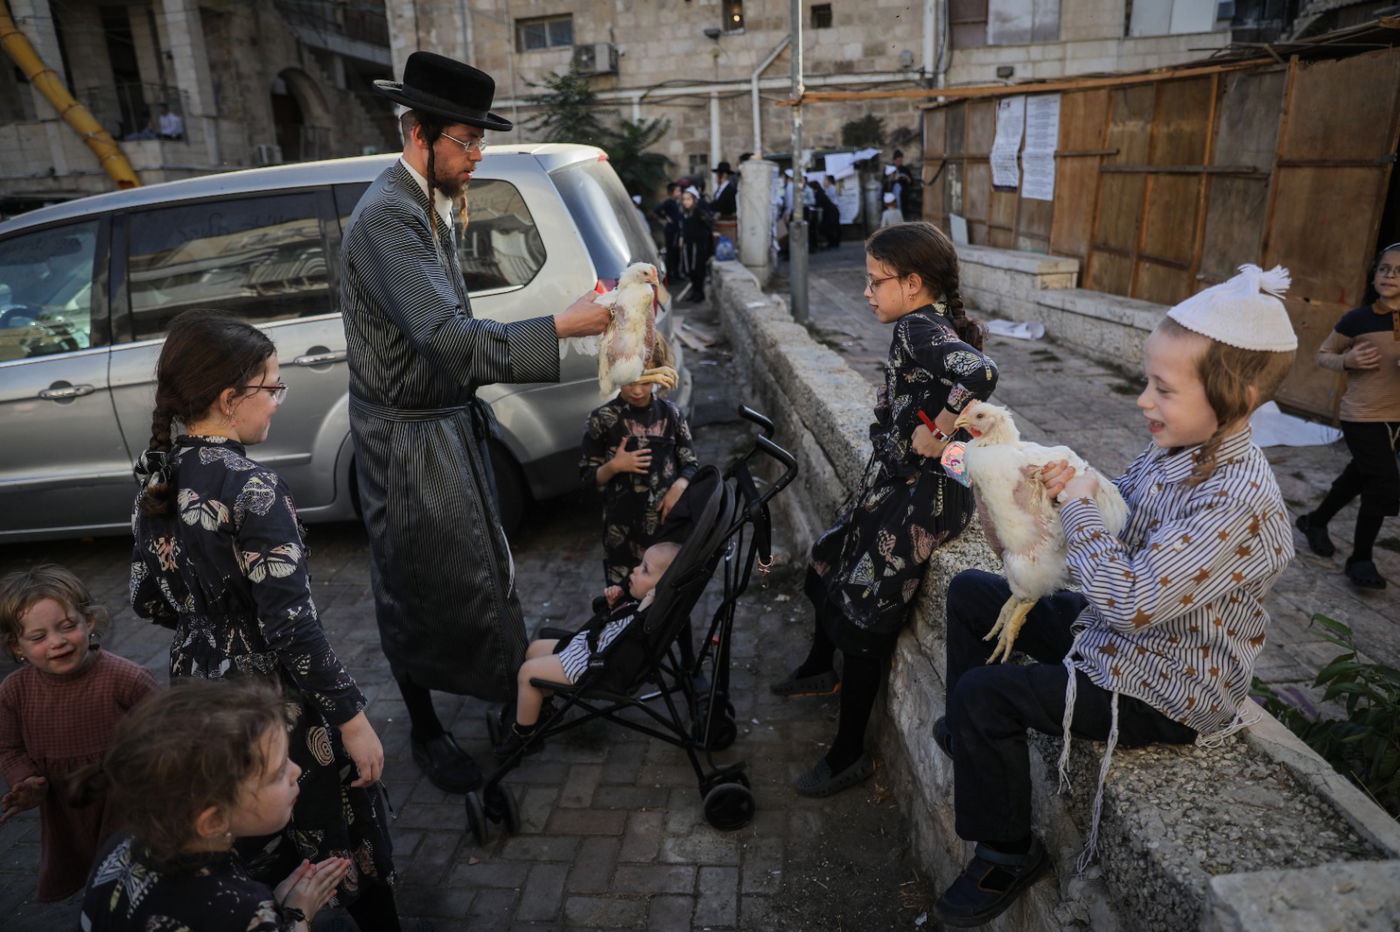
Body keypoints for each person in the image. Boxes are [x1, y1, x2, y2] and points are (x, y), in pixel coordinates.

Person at [932, 264, 1297, 927]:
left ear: (1235, 397)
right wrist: (1050, 489)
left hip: (1166, 685)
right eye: (1146, 384)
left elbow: (1129, 598)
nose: (1143, 402)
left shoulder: (1240, 501)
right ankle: (969, 740)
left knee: (984, 697)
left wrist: (1075, 507)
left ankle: (1007, 850)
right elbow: (1120, 507)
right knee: (972, 594)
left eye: (1162, 388)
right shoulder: (1180, 448)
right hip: (1119, 635)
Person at [339, 51, 610, 794]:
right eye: (467, 140)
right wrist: (561, 324)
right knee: (411, 586)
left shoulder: (424, 202)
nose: (477, 155)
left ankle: (508, 694)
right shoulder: (389, 216)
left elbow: (452, 328)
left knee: (476, 573)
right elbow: (453, 341)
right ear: (420, 133)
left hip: (443, 424)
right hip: (404, 440)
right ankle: (426, 731)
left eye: (479, 141)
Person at [130, 311, 399, 929]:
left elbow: (146, 600)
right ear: (230, 399)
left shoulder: (157, 481)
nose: (277, 401)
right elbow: (293, 631)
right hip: (275, 702)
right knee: (328, 830)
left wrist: (208, 624)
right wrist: (353, 721)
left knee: (243, 828)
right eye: (272, 386)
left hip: (198, 691)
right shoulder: (253, 488)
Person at [770, 221, 998, 797]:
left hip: (922, 500)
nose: (868, 293)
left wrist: (942, 430)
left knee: (867, 619)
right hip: (897, 487)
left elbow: (981, 372)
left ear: (914, 283)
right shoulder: (920, 324)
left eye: (876, 282)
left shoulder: (919, 326)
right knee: (827, 558)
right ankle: (821, 668)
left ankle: (849, 753)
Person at [77, 679, 351, 931]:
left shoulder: (121, 845)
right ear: (213, 821)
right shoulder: (241, 912)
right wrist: (295, 913)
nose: (295, 771)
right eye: (277, 773)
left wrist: (272, 905)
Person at [0, 565, 156, 903]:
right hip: (66, 810)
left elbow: (166, 735)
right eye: (38, 637)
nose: (56, 642)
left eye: (67, 627)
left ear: (89, 622)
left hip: (127, 802)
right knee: (92, 881)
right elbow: (8, 749)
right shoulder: (14, 692)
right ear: (17, 646)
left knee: (137, 879)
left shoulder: (127, 679)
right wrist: (25, 781)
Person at [493, 541, 682, 757]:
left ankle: (523, 736)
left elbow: (627, 637)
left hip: (594, 666)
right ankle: (543, 708)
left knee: (527, 673)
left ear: (660, 589)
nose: (636, 570)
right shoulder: (643, 607)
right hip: (592, 648)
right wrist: (614, 604)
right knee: (534, 649)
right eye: (640, 564)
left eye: (645, 570)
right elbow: (616, 626)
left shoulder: (647, 613)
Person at [1294, 242, 1400, 589]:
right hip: (1363, 414)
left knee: (1361, 474)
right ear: (1374, 274)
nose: (1390, 275)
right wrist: (1347, 361)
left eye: (1399, 271)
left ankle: (1316, 520)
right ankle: (1362, 558)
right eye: (1384, 268)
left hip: (1396, 417)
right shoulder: (1357, 319)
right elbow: (1323, 354)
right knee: (1382, 480)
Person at [579, 359, 699, 587]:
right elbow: (587, 478)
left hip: (665, 530)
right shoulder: (602, 419)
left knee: (668, 594)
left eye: (644, 383)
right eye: (629, 382)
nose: (636, 390)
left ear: (656, 376)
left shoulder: (671, 414)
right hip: (622, 533)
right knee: (623, 596)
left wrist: (680, 486)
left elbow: (690, 462)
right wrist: (614, 466)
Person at [678, 186, 714, 303]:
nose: (686, 202)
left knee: (699, 270)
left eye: (688, 199)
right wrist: (682, 237)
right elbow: (684, 228)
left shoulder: (698, 211)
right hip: (688, 245)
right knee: (690, 270)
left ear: (694, 200)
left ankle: (700, 293)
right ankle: (694, 291)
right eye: (684, 199)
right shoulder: (685, 213)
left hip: (698, 246)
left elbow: (708, 224)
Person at [655, 183, 684, 282]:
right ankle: (670, 277)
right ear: (671, 193)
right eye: (677, 191)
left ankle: (676, 274)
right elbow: (657, 210)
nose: (679, 193)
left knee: (677, 254)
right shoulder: (668, 202)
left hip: (677, 231)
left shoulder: (677, 203)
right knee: (671, 253)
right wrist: (665, 218)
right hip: (671, 232)